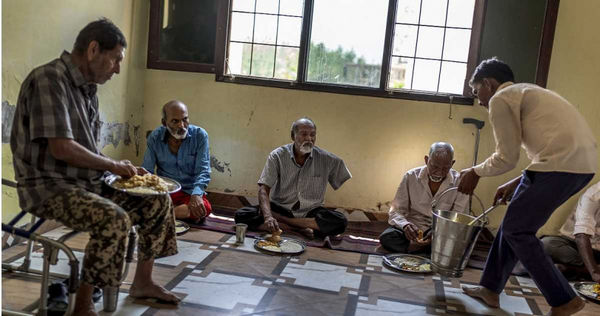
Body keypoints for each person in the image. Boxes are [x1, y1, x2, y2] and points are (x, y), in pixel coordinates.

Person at [10, 19, 180, 315]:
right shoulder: (49, 80)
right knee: (112, 218)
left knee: (157, 201)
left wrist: (117, 170)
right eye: (115, 59)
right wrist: (112, 163)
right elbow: (62, 148)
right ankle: (83, 306)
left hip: (84, 182)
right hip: (49, 187)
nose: (117, 69)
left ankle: (143, 282)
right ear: (92, 49)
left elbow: (87, 149)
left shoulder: (87, 90)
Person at [457, 57, 596, 316]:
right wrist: (519, 181)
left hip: (562, 166)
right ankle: (490, 289)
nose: (479, 101)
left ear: (488, 83)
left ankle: (564, 299)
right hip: (577, 166)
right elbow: (548, 147)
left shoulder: (501, 98)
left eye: (477, 92)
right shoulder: (528, 91)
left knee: (518, 230)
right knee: (512, 223)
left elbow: (505, 158)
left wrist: (474, 172)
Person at [234, 117, 351, 239]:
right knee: (241, 215)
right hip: (280, 207)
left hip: (310, 212)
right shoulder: (277, 156)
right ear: (293, 136)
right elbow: (263, 189)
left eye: (313, 135)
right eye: (304, 134)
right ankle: (300, 229)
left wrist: (277, 218)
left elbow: (341, 174)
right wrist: (268, 216)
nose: (309, 139)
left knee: (340, 221)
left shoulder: (326, 159)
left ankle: (284, 223)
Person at [379, 142, 469, 254]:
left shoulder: (460, 183)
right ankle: (428, 251)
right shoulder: (411, 176)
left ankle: (416, 249)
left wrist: (438, 232)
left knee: (459, 245)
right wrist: (405, 225)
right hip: (413, 230)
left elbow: (459, 218)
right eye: (434, 166)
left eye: (445, 168)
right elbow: (395, 211)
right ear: (426, 160)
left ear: (452, 164)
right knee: (387, 237)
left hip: (442, 232)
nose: (439, 172)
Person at [142, 100, 212, 222]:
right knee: (140, 202)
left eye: (185, 119)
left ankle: (162, 214)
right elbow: (147, 170)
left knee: (204, 208)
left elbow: (203, 170)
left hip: (190, 192)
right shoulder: (155, 137)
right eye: (175, 121)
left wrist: (196, 195)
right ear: (164, 123)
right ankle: (176, 212)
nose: (182, 125)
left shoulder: (200, 135)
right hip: (166, 190)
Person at [541, 182, 600, 282]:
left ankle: (573, 271)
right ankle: (590, 270)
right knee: (547, 244)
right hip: (576, 245)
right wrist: (595, 273)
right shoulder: (593, 195)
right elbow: (581, 235)